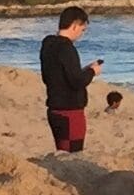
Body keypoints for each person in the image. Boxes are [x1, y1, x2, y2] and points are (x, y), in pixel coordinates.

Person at [39, 8, 100, 154]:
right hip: (69, 111)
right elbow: (77, 81)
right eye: (82, 29)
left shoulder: (48, 44)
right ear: (74, 25)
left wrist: (83, 71)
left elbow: (52, 75)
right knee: (72, 154)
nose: (81, 34)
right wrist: (92, 71)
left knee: (62, 150)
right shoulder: (67, 48)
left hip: (54, 107)